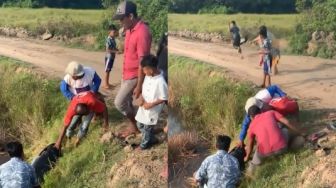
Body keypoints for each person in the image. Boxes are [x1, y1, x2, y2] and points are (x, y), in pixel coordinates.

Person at [113, 0, 152, 138]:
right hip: (127, 73)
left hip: (135, 75)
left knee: (119, 103)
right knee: (127, 102)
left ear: (130, 16)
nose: (120, 22)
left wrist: (139, 85)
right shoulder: (129, 29)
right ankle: (136, 126)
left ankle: (138, 125)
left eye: (121, 19)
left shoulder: (142, 32)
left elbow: (143, 62)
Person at [244, 106, 305, 172]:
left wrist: (247, 157)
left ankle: (250, 171)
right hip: (282, 148)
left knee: (257, 151)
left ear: (251, 117)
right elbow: (287, 122)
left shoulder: (251, 125)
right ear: (261, 111)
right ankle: (294, 143)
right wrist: (300, 132)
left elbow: (250, 143)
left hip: (265, 154)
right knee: (284, 130)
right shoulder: (271, 113)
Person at [135, 55, 168, 149]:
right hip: (144, 106)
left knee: (147, 128)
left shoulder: (161, 82)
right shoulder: (148, 76)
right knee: (139, 124)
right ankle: (152, 139)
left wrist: (151, 104)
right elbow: (144, 88)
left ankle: (143, 146)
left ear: (151, 70)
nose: (143, 72)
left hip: (152, 109)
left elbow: (164, 98)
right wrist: (141, 97)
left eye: (144, 70)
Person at [103, 24, 119, 89]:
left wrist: (117, 50)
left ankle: (107, 83)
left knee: (109, 70)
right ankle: (105, 84)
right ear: (109, 32)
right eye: (113, 32)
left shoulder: (113, 39)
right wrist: (116, 51)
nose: (114, 33)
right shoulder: (108, 39)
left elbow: (113, 48)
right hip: (109, 57)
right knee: (107, 70)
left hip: (112, 57)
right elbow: (108, 49)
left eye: (115, 32)